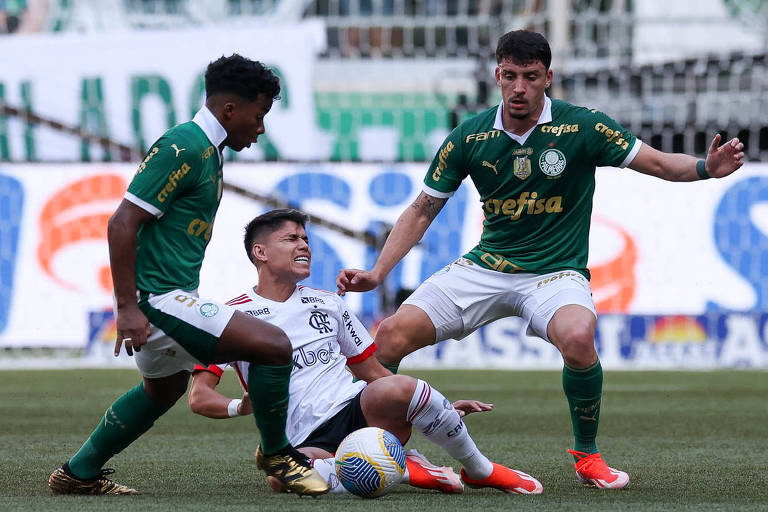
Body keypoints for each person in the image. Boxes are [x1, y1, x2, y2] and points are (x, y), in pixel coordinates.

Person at [336, 29, 745, 490]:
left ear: (548, 77)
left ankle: (587, 455)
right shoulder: (469, 136)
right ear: (497, 75)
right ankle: (382, 446)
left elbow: (656, 163)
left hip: (556, 273)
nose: (519, 88)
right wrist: (377, 272)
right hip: (487, 267)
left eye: (530, 77)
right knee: (388, 335)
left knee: (578, 335)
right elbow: (422, 209)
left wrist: (706, 168)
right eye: (509, 76)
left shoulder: (582, 126)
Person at [48, 55, 328, 497]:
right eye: (259, 116)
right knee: (274, 346)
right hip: (157, 299)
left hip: (168, 294)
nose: (260, 128)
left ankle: (78, 473)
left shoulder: (208, 151)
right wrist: (126, 306)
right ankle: (278, 453)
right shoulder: (184, 146)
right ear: (230, 110)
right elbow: (122, 221)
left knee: (163, 390)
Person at [188, 208, 543, 495]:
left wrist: (440, 405)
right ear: (260, 252)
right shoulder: (230, 318)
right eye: (291, 239)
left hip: (359, 410)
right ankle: (402, 468)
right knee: (281, 480)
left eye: (306, 239)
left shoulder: (328, 303)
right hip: (303, 438)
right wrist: (240, 406)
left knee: (402, 387)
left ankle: (480, 470)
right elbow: (200, 397)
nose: (304, 246)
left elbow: (373, 373)